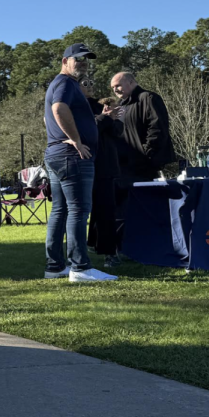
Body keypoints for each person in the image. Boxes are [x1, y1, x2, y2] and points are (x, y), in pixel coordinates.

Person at [44, 43, 117, 282]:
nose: (83, 63)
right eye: (78, 59)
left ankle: (55, 267)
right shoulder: (65, 83)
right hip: (72, 157)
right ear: (65, 61)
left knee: (60, 211)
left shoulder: (64, 84)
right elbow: (58, 108)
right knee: (78, 210)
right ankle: (81, 267)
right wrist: (76, 140)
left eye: (87, 59)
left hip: (58, 155)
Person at [83, 81, 124, 264]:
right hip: (82, 164)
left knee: (107, 210)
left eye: (92, 82)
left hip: (105, 165)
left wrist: (113, 119)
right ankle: (76, 254)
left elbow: (117, 131)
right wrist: (105, 119)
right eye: (85, 82)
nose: (90, 85)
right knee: (79, 211)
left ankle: (109, 252)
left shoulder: (101, 105)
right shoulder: (73, 106)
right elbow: (88, 131)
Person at [110, 71, 174, 178]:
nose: (115, 90)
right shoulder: (120, 106)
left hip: (146, 164)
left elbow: (157, 127)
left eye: (118, 85)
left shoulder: (148, 98)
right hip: (126, 165)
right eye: (112, 87)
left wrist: (147, 152)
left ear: (131, 82)